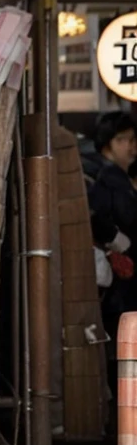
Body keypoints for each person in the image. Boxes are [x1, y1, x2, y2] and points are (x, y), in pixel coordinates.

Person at [84, 111, 137, 351]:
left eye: (133, 140)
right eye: (123, 140)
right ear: (108, 143)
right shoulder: (108, 177)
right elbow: (95, 218)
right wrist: (120, 242)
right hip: (119, 284)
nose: (131, 147)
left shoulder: (112, 177)